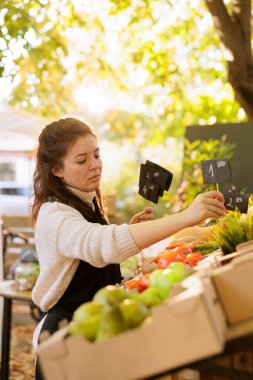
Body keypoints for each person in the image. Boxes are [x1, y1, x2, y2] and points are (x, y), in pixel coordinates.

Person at [32, 117, 226, 379]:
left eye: (97, 155)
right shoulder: (55, 213)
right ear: (56, 169)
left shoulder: (85, 204)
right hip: (66, 335)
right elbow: (103, 245)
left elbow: (95, 261)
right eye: (82, 160)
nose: (95, 166)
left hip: (102, 323)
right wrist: (185, 217)